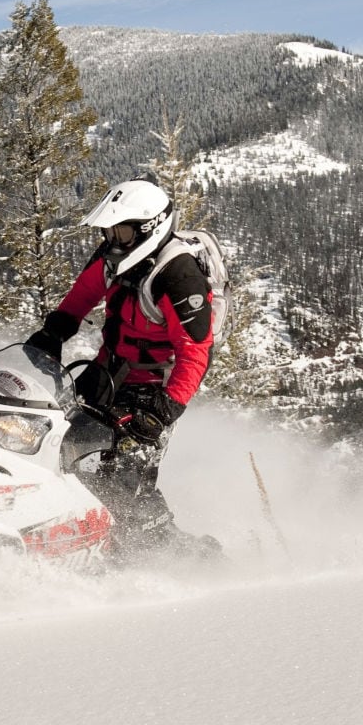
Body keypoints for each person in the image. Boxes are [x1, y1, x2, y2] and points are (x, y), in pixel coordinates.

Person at [26, 174, 220, 561]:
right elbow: (83, 293)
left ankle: (178, 558)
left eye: (122, 232)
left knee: (126, 480)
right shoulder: (116, 257)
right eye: (110, 232)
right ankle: (56, 530)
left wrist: (163, 411)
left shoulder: (178, 277)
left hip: (154, 390)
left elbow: (196, 352)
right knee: (50, 442)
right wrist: (54, 332)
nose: (112, 240)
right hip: (109, 370)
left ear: (149, 228)